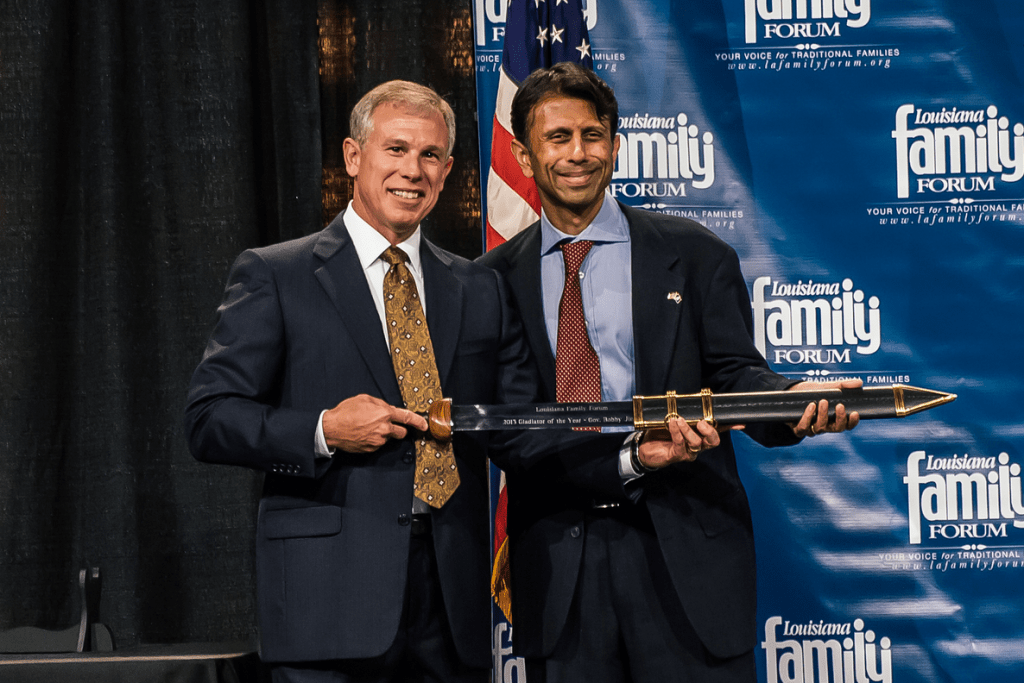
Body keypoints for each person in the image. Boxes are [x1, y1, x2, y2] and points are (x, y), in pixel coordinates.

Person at [479, 62, 860, 683]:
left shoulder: (697, 254)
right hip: (560, 566)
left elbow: (738, 378)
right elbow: (512, 429)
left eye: (592, 135)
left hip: (687, 556)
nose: (578, 153)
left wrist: (791, 401)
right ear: (523, 155)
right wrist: (631, 458)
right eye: (557, 138)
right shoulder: (490, 282)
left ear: (616, 146)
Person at [185, 80, 536, 683]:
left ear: (449, 169)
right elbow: (210, 418)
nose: (413, 170)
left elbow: (518, 423)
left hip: (451, 607)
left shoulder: (478, 287)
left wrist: (632, 453)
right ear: (353, 157)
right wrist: (324, 430)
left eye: (429, 155)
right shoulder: (277, 274)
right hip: (328, 604)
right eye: (395, 149)